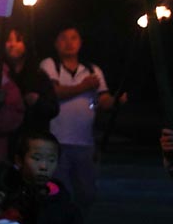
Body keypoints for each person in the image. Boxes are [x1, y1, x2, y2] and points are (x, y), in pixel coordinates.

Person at [39, 25, 124, 211]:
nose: (69, 43)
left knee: (87, 193)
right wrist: (84, 87)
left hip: (85, 143)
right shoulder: (50, 65)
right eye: (63, 38)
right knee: (60, 194)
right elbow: (53, 92)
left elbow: (103, 100)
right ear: (55, 42)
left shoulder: (93, 70)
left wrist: (116, 100)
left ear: (80, 42)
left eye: (74, 37)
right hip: (56, 143)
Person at [0, 26, 59, 160]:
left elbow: (53, 109)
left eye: (18, 40)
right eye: (8, 40)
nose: (12, 44)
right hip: (4, 142)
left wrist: (38, 101)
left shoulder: (38, 76)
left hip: (32, 142)